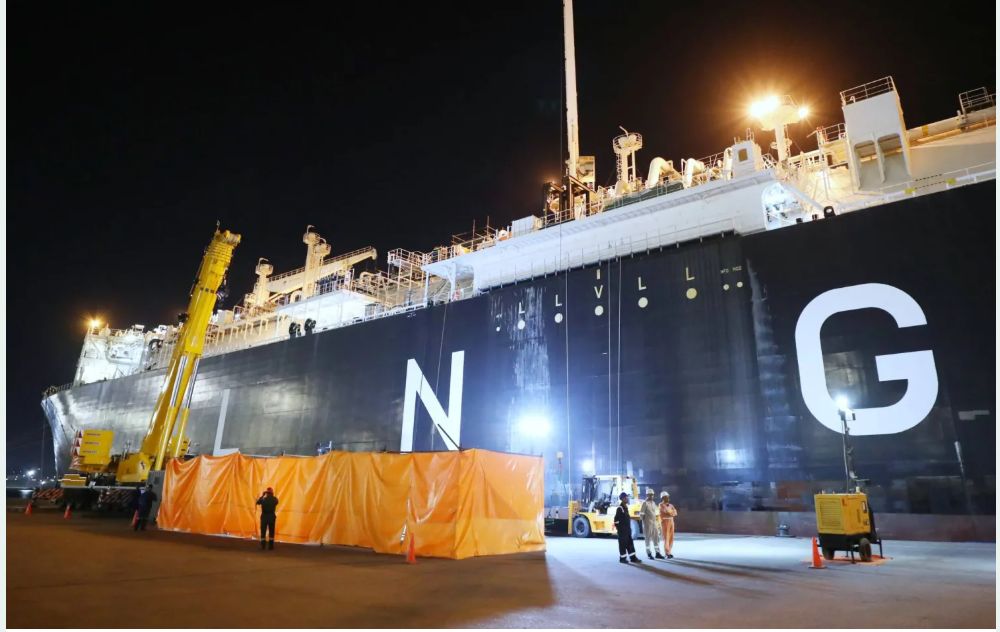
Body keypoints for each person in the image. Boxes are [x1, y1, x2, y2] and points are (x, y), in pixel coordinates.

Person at [613, 491, 641, 564]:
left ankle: (633, 558)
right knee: (623, 545)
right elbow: (616, 521)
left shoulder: (625, 508)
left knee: (630, 544)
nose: (627, 499)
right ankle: (622, 558)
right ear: (622, 499)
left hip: (628, 531)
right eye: (625, 498)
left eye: (627, 497)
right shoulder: (620, 508)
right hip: (622, 532)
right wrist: (620, 530)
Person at [639, 488, 665, 559]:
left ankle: (657, 553)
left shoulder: (653, 503)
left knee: (656, 538)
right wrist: (645, 522)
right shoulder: (644, 503)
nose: (651, 496)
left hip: (654, 524)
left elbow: (656, 513)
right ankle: (649, 553)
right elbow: (641, 515)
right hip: (647, 524)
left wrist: (658, 523)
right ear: (647, 495)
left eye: (652, 495)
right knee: (647, 539)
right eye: (650, 495)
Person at [659, 491, 678, 558]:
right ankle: (667, 553)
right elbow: (666, 511)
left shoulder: (671, 505)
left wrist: (671, 513)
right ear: (663, 498)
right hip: (665, 522)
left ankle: (669, 551)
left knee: (671, 537)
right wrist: (671, 512)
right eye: (666, 497)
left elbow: (675, 513)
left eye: (668, 497)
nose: (668, 498)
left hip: (671, 521)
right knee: (666, 537)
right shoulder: (661, 505)